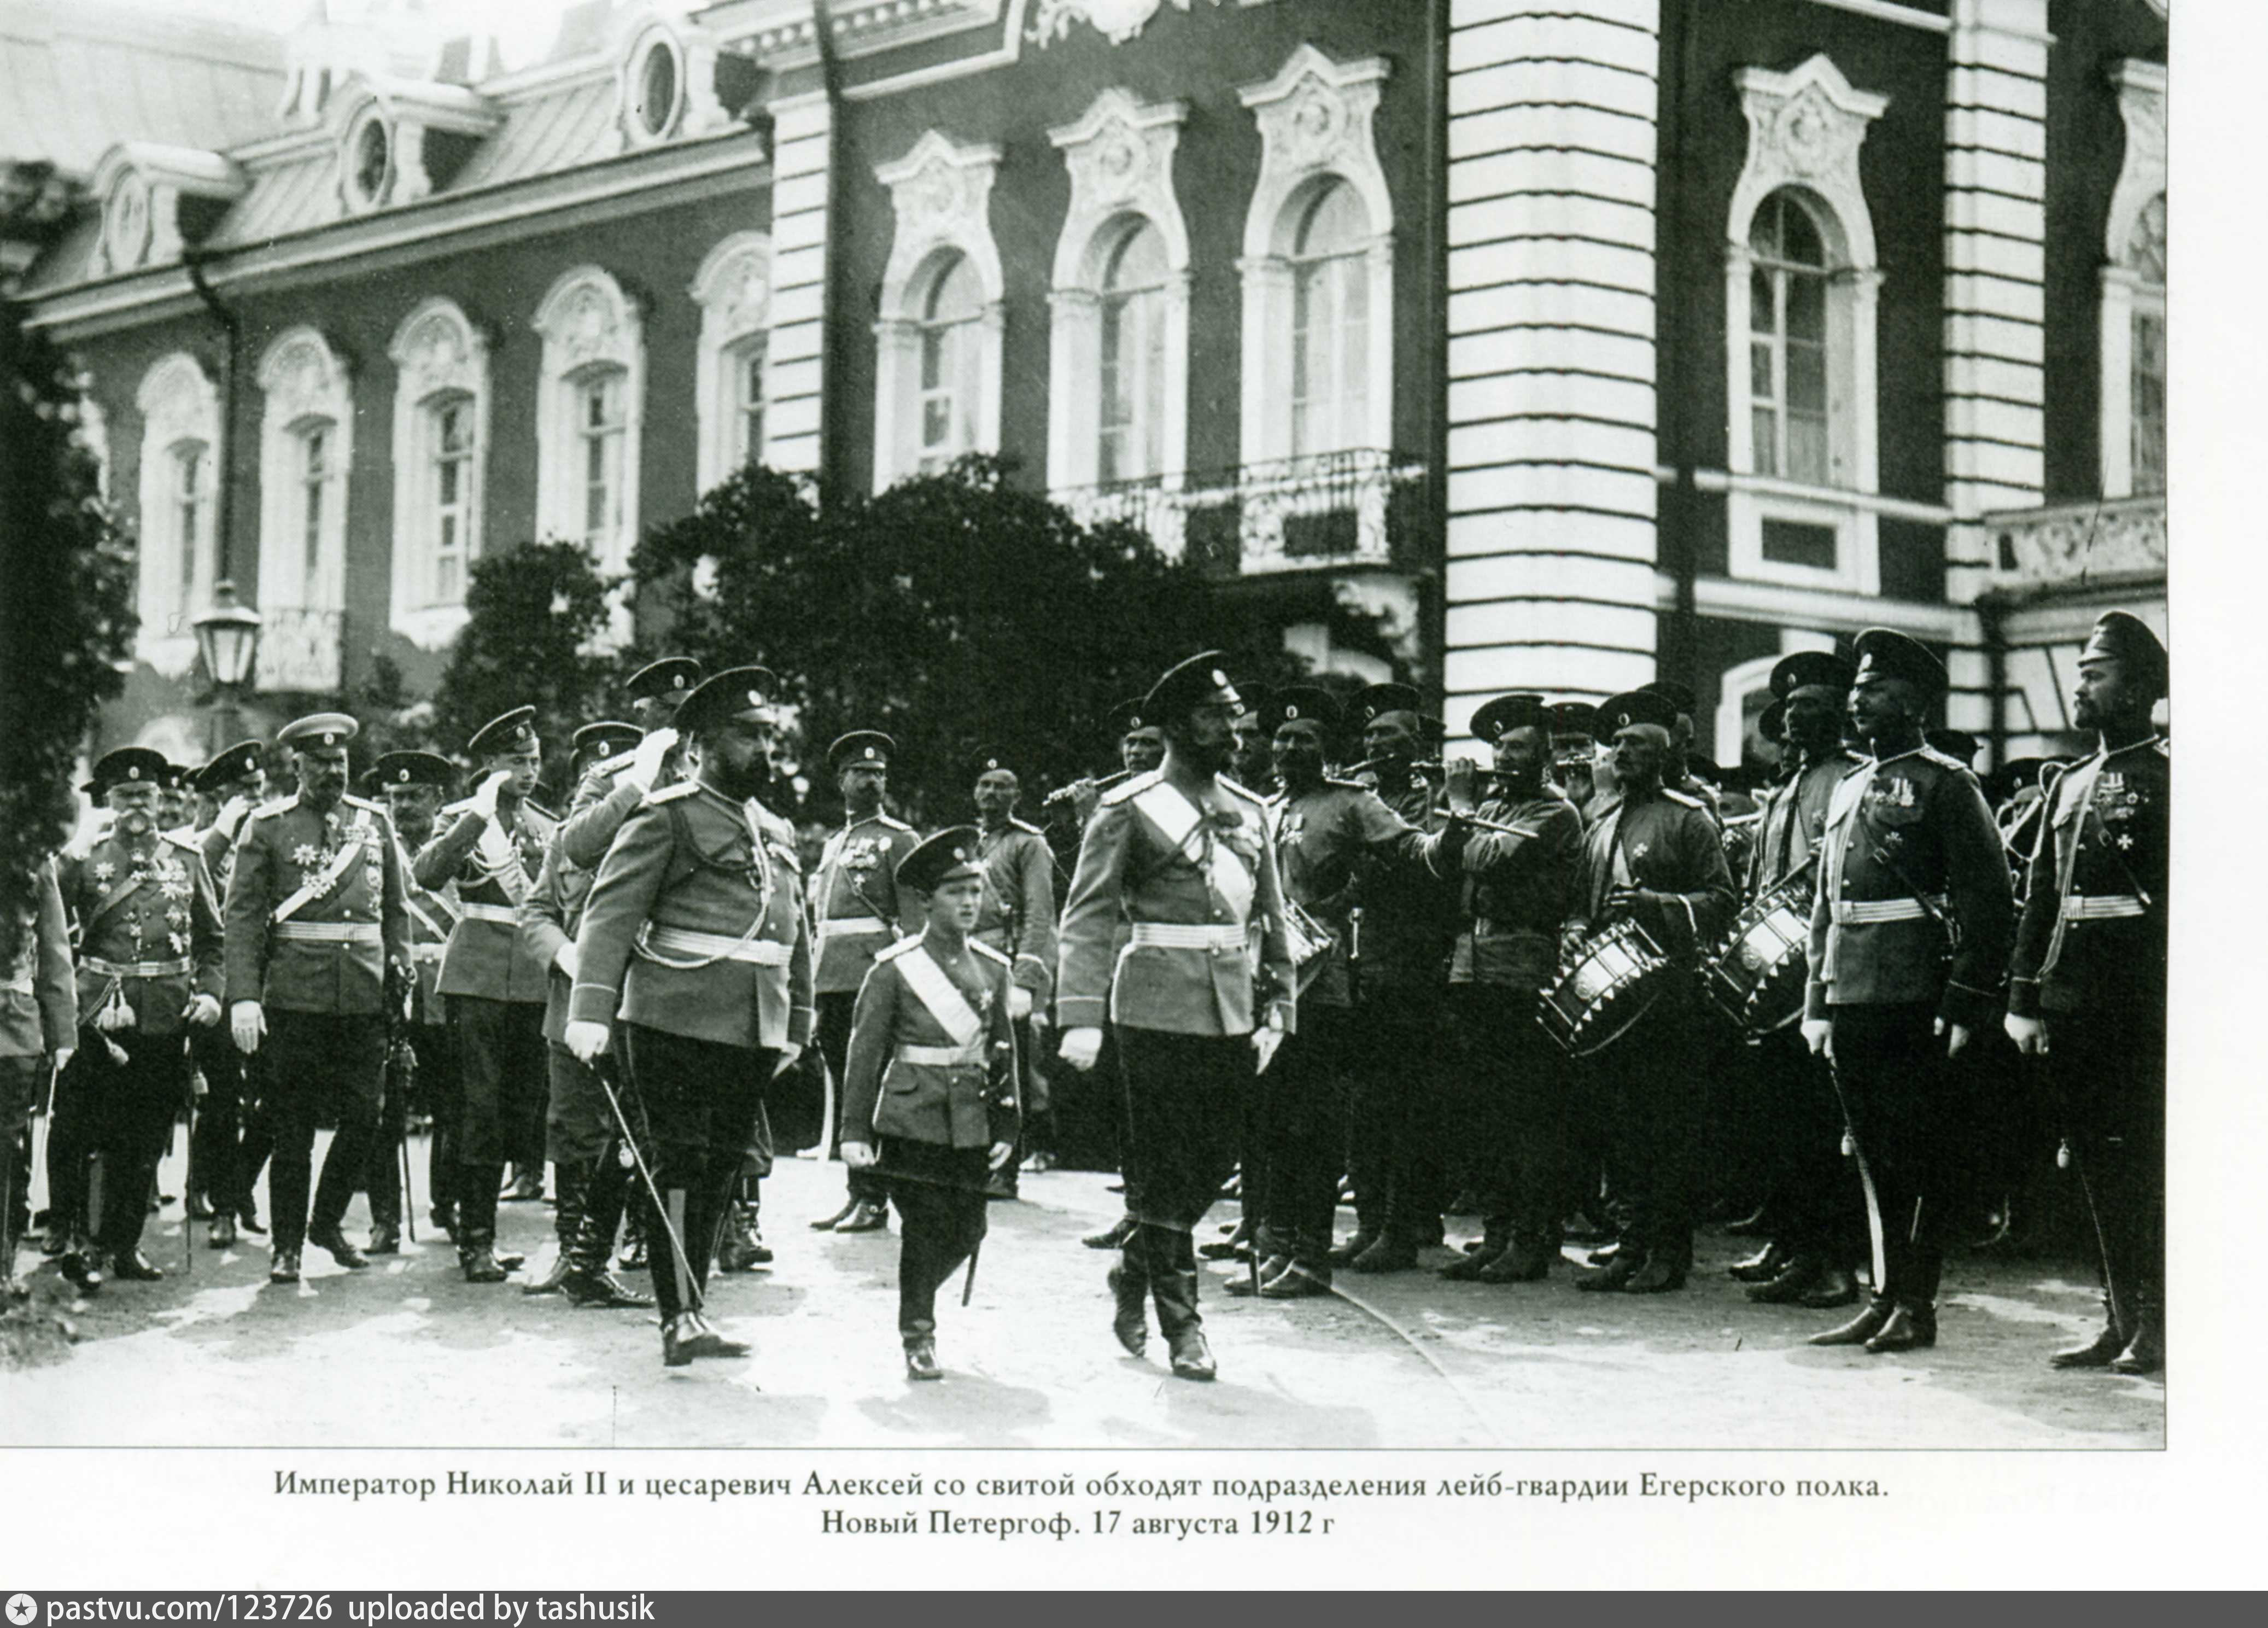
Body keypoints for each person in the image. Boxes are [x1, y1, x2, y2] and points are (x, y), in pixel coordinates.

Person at [565, 667, 814, 1368]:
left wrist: (797, 1023)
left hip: (752, 1023)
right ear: (701, 743)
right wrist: (590, 1009)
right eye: (748, 736)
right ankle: (679, 1315)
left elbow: (795, 933)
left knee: (723, 1170)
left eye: (769, 735)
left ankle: (693, 1305)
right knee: (679, 1158)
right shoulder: (667, 813)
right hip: (672, 1013)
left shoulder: (775, 827)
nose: (764, 749)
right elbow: (610, 914)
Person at [1056, 652, 1294, 1381]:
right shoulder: (1126, 809)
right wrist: (1080, 1015)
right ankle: (1183, 1325)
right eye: (1215, 717)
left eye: (1233, 716)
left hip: (1231, 1008)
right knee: (1162, 1168)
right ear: (1175, 726)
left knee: (1214, 1158)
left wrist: (1280, 1000)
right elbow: (1087, 916)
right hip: (1153, 1006)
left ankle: (1134, 1267)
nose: (1234, 728)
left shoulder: (1251, 810)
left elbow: (1273, 916)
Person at [1801, 629, 2014, 1353]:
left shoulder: (1947, 782)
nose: (1861, 698)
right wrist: (1817, 1001)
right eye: (1858, 687)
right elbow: (1825, 905)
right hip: (1853, 989)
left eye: (1879, 687)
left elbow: (1990, 900)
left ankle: (1916, 1305)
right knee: (1869, 1153)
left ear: (1917, 701)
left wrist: (1963, 998)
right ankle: (1884, 1295)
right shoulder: (1849, 785)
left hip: (1916, 993)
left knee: (1916, 1154)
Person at [2006, 611, 2168, 1375]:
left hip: (2142, 1008)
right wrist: (2023, 997)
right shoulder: (2069, 783)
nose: (2081, 688)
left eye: (2096, 675)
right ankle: (2118, 1317)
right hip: (2072, 1005)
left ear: (2138, 690)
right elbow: (2040, 899)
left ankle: (2161, 1322)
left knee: (2148, 1166)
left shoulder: (2169, 778)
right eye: (2079, 673)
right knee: (2096, 1170)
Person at [1241, 687, 1435, 1298]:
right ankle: (1272, 1248)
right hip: (1263, 985)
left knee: (1312, 1126)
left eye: (1306, 739)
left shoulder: (1352, 803)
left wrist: (1448, 827)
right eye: (1283, 738)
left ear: (1328, 750)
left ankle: (1309, 1257)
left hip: (1320, 989)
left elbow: (1414, 852)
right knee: (1270, 1124)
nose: (1290, 747)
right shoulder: (1263, 807)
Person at [224, 714, 411, 1285]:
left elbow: (395, 909)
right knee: (293, 1127)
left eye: (341, 762)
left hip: (363, 995)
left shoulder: (373, 822)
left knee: (365, 1117)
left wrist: (400, 968)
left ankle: (324, 1221)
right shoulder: (268, 825)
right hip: (295, 996)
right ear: (297, 766)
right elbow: (243, 918)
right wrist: (244, 999)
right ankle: (287, 1248)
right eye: (321, 762)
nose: (333, 771)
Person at [1563, 689, 1735, 1293]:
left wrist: (1655, 905)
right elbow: (1580, 903)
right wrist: (1575, 931)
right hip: (1611, 1002)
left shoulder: (1688, 818)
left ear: (1664, 754)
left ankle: (1667, 1252)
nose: (1621, 753)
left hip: (1668, 999)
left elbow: (1721, 902)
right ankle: (1629, 1244)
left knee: (1667, 1129)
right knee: (1620, 1128)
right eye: (1615, 745)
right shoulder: (1600, 822)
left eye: (1636, 744)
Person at [839, 827, 1020, 1380]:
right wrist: (853, 1130)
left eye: (974, 890)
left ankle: (911, 1298)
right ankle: (917, 1332)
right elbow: (864, 1052)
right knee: (923, 1228)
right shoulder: (893, 968)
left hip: (969, 1121)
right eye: (954, 892)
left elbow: (1004, 1049)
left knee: (970, 1230)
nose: (969, 902)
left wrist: (1008, 1126)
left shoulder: (994, 967)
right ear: (925, 901)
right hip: (910, 1115)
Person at [47, 749, 226, 1286]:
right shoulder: (83, 859)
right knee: (84, 1130)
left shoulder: (187, 858)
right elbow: (49, 921)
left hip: (166, 1017)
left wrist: (212, 994)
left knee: (144, 1139)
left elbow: (213, 942)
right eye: (125, 797)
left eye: (144, 795)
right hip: (99, 1013)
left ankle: (122, 1245)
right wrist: (72, 846)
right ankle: (79, 1240)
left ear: (160, 798)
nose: (136, 807)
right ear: (109, 801)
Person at [1431, 694, 1585, 1285]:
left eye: (1516, 745)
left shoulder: (1553, 812)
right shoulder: (1492, 803)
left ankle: (1530, 1239)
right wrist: (1461, 813)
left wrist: (1460, 807)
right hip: (1472, 965)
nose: (1501, 755)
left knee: (1526, 1111)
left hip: (1522, 967)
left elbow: (1488, 857)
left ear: (1544, 755)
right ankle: (1496, 1236)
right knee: (1485, 1110)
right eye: (1497, 745)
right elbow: (1446, 863)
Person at [1730, 652, 1867, 1310]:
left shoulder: (1849, 778)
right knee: (1784, 1122)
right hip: (1777, 977)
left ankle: (1836, 1263)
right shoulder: (1787, 785)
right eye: (1788, 706)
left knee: (1826, 1126)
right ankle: (1794, 1245)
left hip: (1826, 972)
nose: (1792, 715)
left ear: (1839, 712)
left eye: (1809, 703)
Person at [412, 705, 556, 1281]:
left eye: (535, 761)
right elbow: (426, 873)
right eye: (516, 761)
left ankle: (487, 1233)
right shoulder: (464, 817)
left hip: (532, 980)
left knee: (522, 1110)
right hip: (476, 977)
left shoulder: (547, 824)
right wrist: (477, 815)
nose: (528, 771)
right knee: (479, 1109)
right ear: (491, 765)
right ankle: (474, 1240)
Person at [517, 723, 653, 1308]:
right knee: (573, 1132)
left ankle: (639, 1240)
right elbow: (534, 913)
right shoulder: (566, 845)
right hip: (570, 1006)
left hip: (639, 1005)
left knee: (638, 1130)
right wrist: (565, 952)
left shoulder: (652, 836)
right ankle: (574, 1251)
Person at [1335, 682, 1454, 1271]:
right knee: (1365, 1101)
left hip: (1413, 960)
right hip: (1367, 959)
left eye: (1388, 733)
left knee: (1406, 1101)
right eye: (1370, 734)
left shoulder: (1426, 796)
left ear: (1417, 739)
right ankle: (1369, 1220)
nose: (1376, 744)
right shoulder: (1359, 793)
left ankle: (1404, 1225)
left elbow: (1424, 869)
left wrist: (1359, 856)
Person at [806, 731, 919, 1235]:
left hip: (874, 976)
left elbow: (915, 919)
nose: (871, 780)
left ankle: (876, 1196)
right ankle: (858, 1192)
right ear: (842, 780)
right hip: (832, 978)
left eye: (878, 773)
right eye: (861, 773)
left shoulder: (899, 839)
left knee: (870, 1085)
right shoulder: (835, 843)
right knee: (847, 1084)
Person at [372, 751, 469, 1250]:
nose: (404, 806)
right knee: (384, 1110)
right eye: (396, 797)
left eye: (414, 797)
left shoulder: (458, 848)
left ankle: (447, 1203)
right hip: (392, 991)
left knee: (454, 1106)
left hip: (446, 991)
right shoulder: (373, 846)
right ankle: (385, 1218)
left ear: (439, 799)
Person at [186, 740, 266, 1246]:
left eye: (258, 788)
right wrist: (221, 830)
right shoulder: (199, 845)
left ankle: (239, 1190)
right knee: (222, 1102)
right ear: (218, 798)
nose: (255, 798)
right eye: (243, 791)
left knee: (273, 1100)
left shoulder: (271, 835)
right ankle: (223, 1205)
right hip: (219, 988)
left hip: (268, 986)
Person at [970, 748, 1057, 1192]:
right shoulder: (970, 842)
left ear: (1017, 796)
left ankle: (1007, 1168)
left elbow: (1039, 914)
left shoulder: (1029, 843)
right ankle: (975, 1160)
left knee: (1012, 1067)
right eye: (985, 785)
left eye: (1002, 786)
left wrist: (1025, 980)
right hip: (971, 962)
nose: (992, 793)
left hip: (1007, 964)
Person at [2, 851, 75, 1299]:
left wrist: (62, 1029)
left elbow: (53, 946)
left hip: (10, 1027)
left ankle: (2, 1265)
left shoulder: (31, 856)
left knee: (6, 1151)